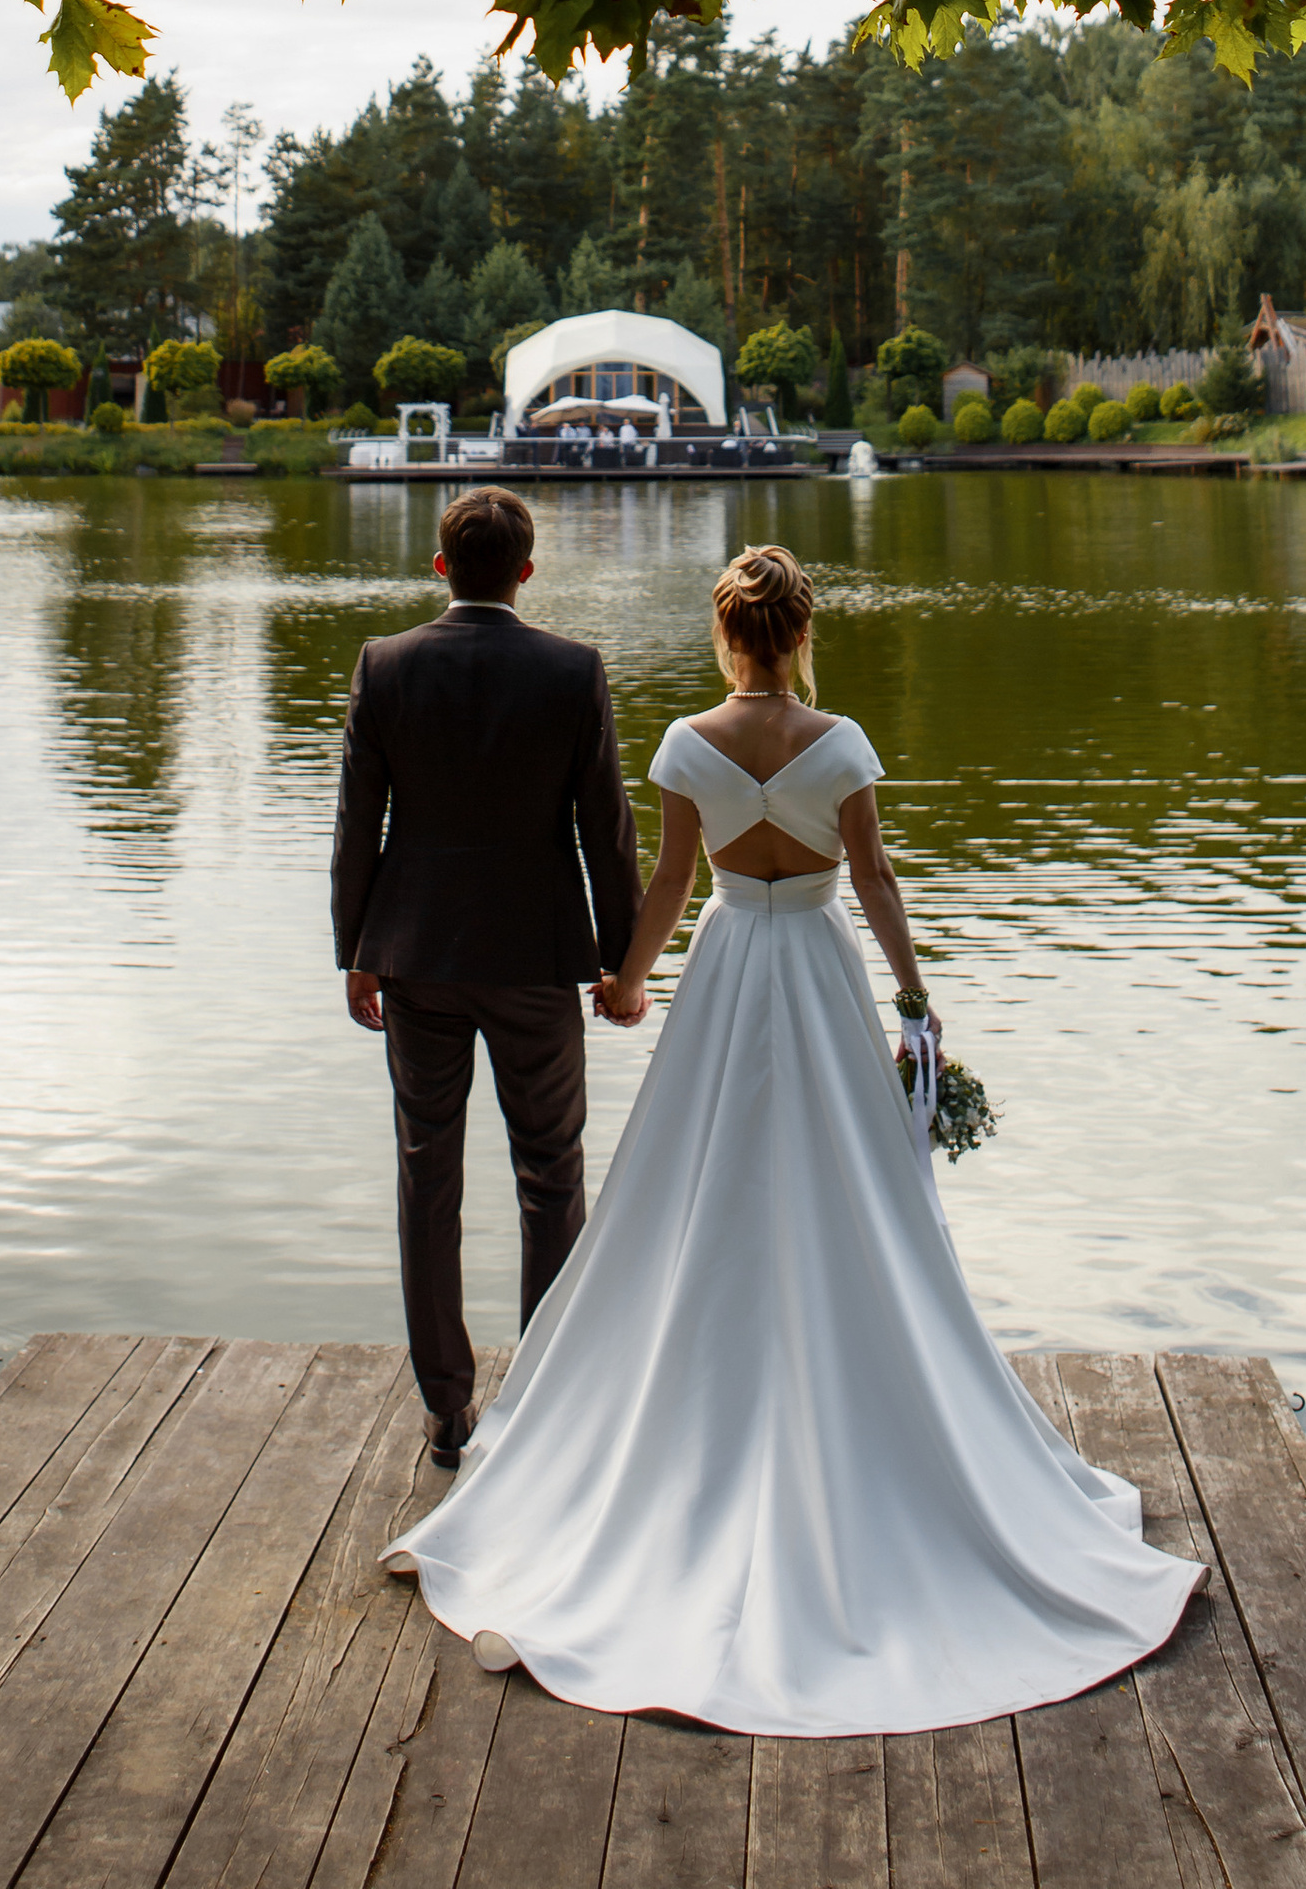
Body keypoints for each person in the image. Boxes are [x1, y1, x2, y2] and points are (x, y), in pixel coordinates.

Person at [386, 542, 1200, 1735]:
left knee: (699, 1186)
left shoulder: (685, 746)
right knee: (851, 1193)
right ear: (801, 635)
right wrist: (914, 996)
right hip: (818, 972)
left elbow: (673, 882)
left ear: (726, 636)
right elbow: (872, 876)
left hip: (728, 970)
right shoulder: (842, 744)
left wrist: (626, 981)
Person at [332, 484, 642, 1467]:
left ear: (441, 567)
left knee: (427, 1175)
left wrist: (357, 950)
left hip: (416, 955)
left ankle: (446, 1406)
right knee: (551, 1174)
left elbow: (358, 823)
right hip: (535, 959)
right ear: (526, 572)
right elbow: (606, 827)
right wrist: (622, 961)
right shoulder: (571, 669)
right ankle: (546, 1398)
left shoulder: (385, 665)